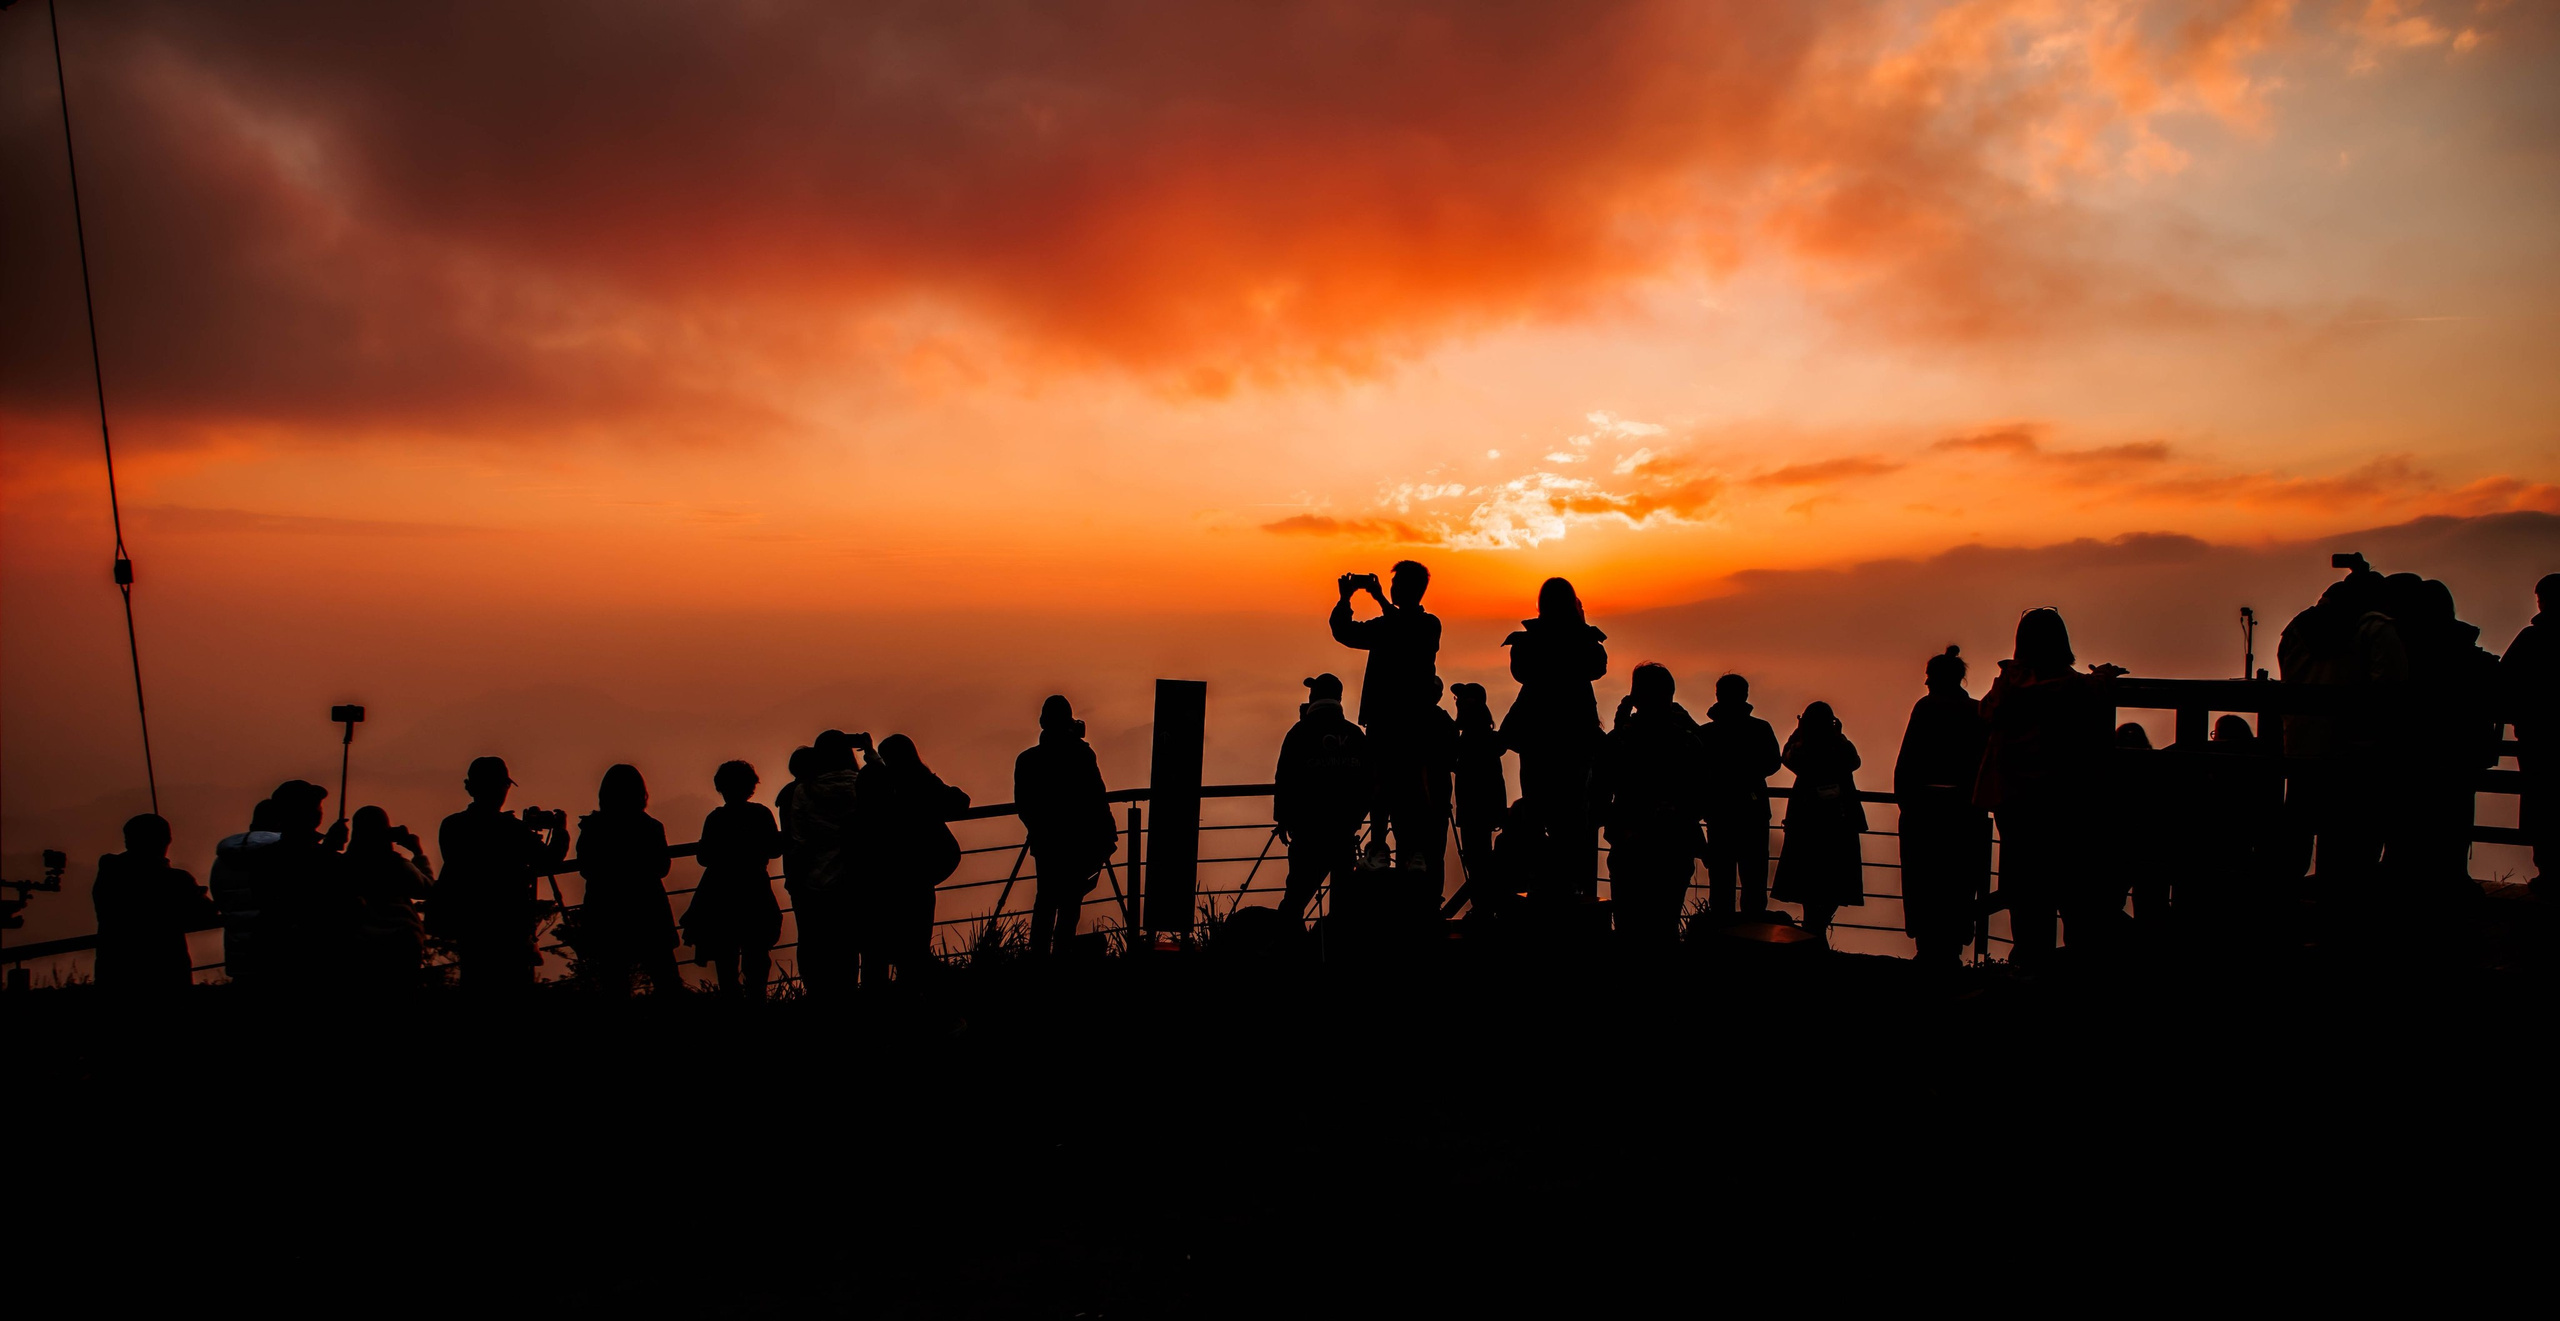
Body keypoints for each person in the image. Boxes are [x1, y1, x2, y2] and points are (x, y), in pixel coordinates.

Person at [1975, 608, 2120, 968]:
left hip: (2013, 802)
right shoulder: (2075, 687)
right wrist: (2103, 676)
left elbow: (1985, 713)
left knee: (2025, 892)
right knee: (2073, 890)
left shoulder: (2005, 685)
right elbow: (2086, 696)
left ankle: (2027, 963)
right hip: (2063, 802)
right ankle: (2073, 967)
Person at [1331, 562, 1443, 869]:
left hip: (1397, 720)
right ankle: (1399, 850)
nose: (1390, 589)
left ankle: (1398, 850)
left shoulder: (1424, 625)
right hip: (1404, 720)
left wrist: (1372, 599)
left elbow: (1398, 629)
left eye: (1394, 585)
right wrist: (1346, 600)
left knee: (1398, 786)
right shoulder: (1409, 625)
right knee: (1399, 787)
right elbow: (1346, 633)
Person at [1500, 578, 1608, 897]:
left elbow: (1520, 673)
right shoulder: (1585, 640)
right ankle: (1571, 885)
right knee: (1573, 816)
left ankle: (1542, 881)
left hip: (1537, 738)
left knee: (1536, 808)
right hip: (1575, 738)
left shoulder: (1528, 642)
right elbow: (1597, 668)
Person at [1596, 663, 1706, 950]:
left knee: (1628, 925)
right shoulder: (1687, 741)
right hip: (1674, 842)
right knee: (1665, 924)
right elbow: (1701, 793)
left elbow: (1597, 794)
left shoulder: (1619, 741)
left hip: (1629, 842)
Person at [436, 757, 570, 990]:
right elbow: (549, 860)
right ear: (502, 788)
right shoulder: (511, 829)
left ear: (470, 787)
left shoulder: (452, 826)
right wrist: (560, 831)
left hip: (470, 924)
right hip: (509, 928)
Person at [1893, 647, 1989, 972]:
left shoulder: (1926, 709)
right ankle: (1952, 948)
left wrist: (1908, 803)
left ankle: (1928, 947)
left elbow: (1906, 763)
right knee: (1960, 882)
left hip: (1924, 813)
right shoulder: (1976, 712)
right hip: (1965, 814)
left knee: (1924, 881)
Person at [854, 734, 968, 984]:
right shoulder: (919, 780)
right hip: (919, 873)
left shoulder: (876, 785)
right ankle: (923, 994)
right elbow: (959, 802)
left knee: (880, 948)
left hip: (883, 876)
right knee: (916, 942)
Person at [1014, 696, 1117, 959]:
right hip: (1078, 841)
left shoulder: (1027, 761)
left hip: (1046, 843)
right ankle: (1062, 955)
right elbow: (1097, 796)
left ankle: (1038, 956)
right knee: (1071, 902)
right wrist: (1108, 835)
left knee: (1045, 900)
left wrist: (1040, 830)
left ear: (1042, 722)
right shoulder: (1081, 755)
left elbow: (1024, 806)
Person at [575, 764, 680, 995]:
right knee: (666, 977)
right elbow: (662, 867)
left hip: (607, 911)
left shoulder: (593, 828)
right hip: (648, 908)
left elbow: (585, 867)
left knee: (614, 981)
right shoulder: (650, 827)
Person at [1274, 674, 1370, 923]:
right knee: (1343, 902)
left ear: (1312, 697)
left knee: (1295, 897)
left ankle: (1287, 947)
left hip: (1308, 832)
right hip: (1343, 831)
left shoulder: (1299, 733)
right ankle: (1339, 950)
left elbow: (1285, 778)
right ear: (1338, 698)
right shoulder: (1355, 735)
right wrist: (1355, 818)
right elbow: (1367, 782)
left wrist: (1284, 819)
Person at [683, 761, 783, 997]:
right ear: (751, 787)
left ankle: (732, 1005)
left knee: (726, 958)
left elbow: (704, 857)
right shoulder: (761, 814)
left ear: (721, 788)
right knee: (757, 954)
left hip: (722, 895)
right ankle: (757, 1000)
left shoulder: (715, 818)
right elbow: (774, 850)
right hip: (755, 890)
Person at [1774, 702, 1866, 947]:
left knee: (1807, 879)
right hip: (1839, 821)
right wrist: (1838, 735)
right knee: (1833, 880)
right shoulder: (1841, 748)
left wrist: (1799, 732)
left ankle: (1812, 929)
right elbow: (1854, 761)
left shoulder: (1801, 750)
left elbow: (1786, 757)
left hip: (1806, 821)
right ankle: (1817, 928)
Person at [92, 813, 215, 993]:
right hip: (165, 972)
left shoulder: (109, 872)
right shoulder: (176, 880)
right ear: (166, 840)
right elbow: (205, 914)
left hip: (113, 971)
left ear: (128, 841)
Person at [785, 731, 869, 990]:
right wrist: (870, 751)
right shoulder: (865, 785)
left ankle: (820, 998)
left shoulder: (803, 791)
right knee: (852, 943)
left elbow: (797, 840)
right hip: (858, 879)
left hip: (816, 882)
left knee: (816, 944)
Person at [1697, 674, 1783, 921]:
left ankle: (1721, 932)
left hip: (1719, 812)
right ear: (1745, 695)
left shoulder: (1706, 733)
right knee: (1754, 878)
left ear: (1718, 696)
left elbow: (1699, 770)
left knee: (1721, 880)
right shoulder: (1760, 728)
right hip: (1752, 811)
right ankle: (1752, 934)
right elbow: (1772, 763)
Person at [2504, 574, 2560, 893]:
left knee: (2542, 805)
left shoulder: (2531, 639)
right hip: (2540, 737)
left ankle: (2549, 873)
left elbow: (2504, 682)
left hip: (2537, 740)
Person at [340, 806, 433, 992]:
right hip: (402, 943)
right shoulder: (397, 865)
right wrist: (418, 853)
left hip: (359, 943)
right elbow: (427, 889)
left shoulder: (345, 865)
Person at [1445, 681, 1509, 919]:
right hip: (1486, 807)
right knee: (1480, 856)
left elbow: (1451, 759)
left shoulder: (1466, 741)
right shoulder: (1490, 740)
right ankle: (1486, 905)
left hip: (1473, 809)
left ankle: (1483, 906)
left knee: (1476, 857)